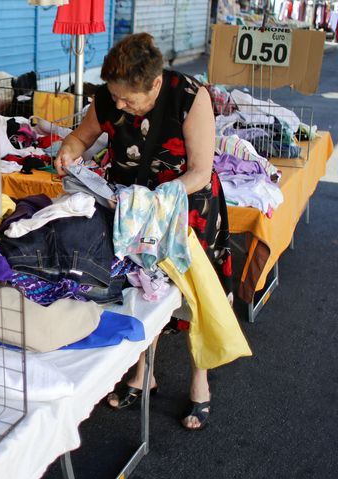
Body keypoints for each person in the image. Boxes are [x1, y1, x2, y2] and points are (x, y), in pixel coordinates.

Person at [54, 33, 232, 430]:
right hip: (129, 210)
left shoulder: (190, 96)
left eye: (128, 99)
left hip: (183, 208)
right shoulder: (108, 97)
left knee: (192, 296)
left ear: (154, 83)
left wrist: (155, 198)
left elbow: (201, 171)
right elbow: (83, 137)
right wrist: (68, 150)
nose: (119, 105)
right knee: (139, 290)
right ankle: (143, 372)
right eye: (114, 97)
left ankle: (199, 383)